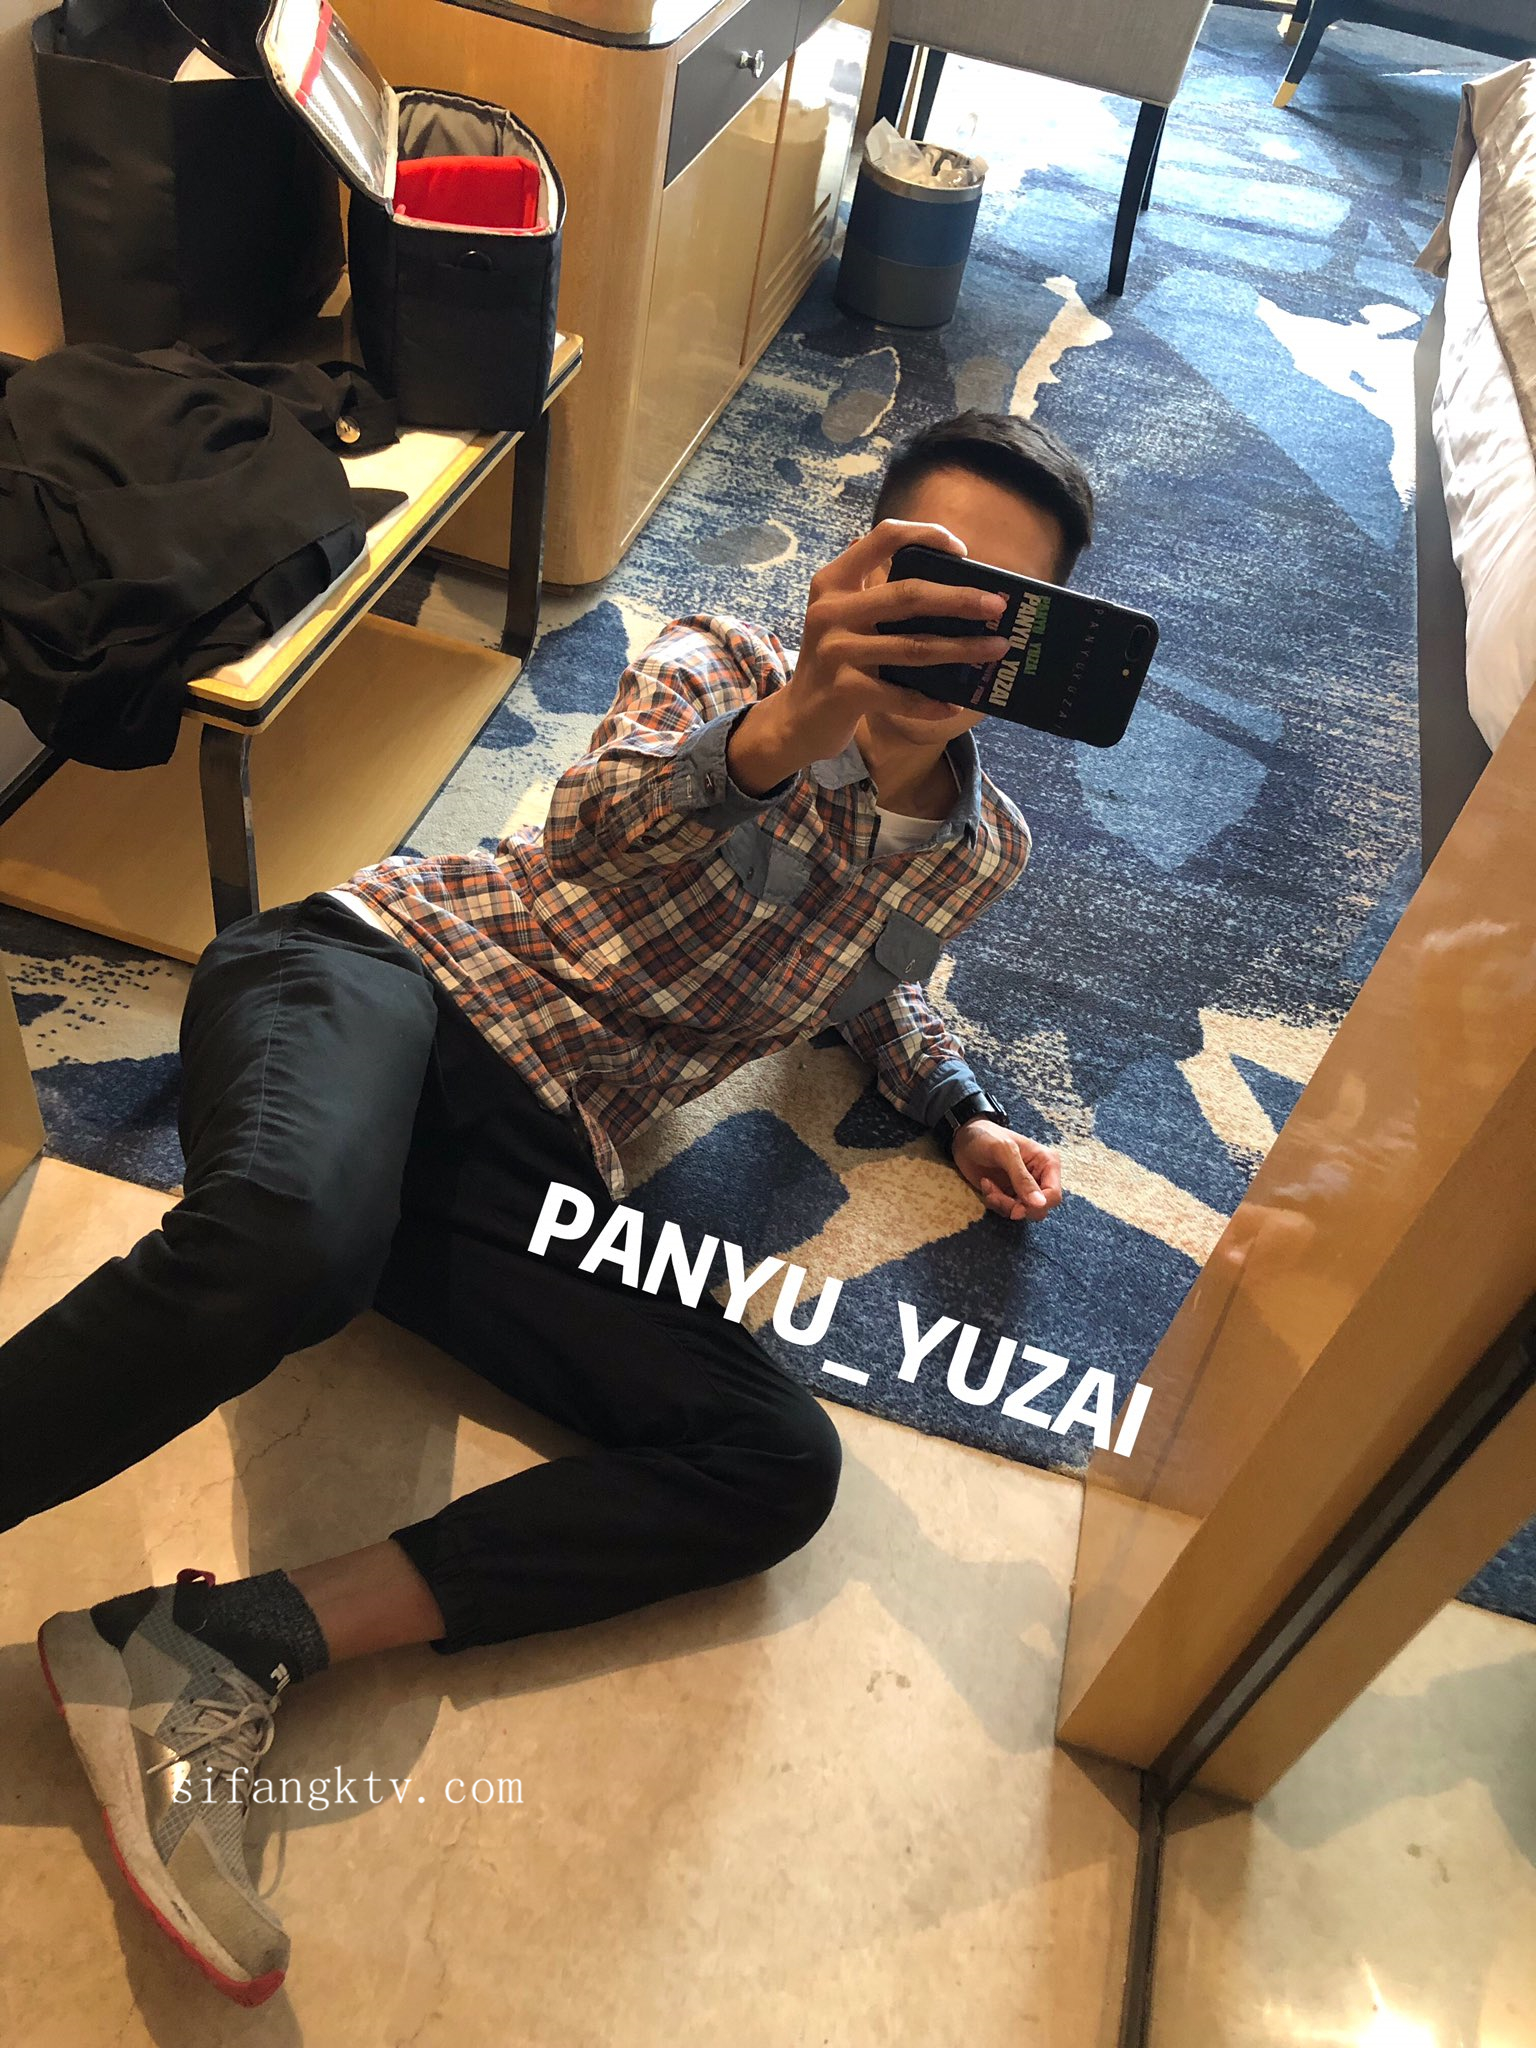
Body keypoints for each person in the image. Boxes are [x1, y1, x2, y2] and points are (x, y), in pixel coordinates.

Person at [4, 409, 1091, 2004]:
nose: (945, 622)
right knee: (290, 1244)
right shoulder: (725, 663)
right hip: (385, 974)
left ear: (1036, 647)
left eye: (998, 603)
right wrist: (792, 726)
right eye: (921, 570)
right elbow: (586, 832)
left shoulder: (981, 850)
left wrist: (962, 1103)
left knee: (777, 1464)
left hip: (543, 1150)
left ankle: (210, 1647)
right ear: (859, 565)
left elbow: (871, 974)